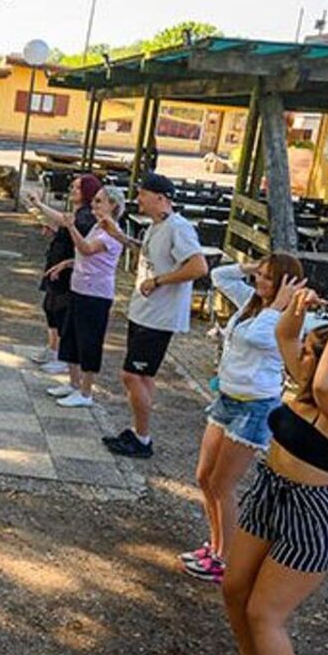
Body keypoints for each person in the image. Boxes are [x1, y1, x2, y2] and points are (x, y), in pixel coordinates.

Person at [211, 287, 328, 655]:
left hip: (309, 518)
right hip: (270, 495)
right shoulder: (304, 382)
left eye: (310, 352)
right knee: (235, 588)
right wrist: (297, 308)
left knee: (264, 615)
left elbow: (326, 387)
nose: (299, 357)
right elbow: (284, 338)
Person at [182, 257, 304, 585]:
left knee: (223, 483)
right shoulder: (252, 305)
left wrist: (280, 303)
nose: (260, 283)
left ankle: (227, 559)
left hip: (255, 408)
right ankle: (215, 544)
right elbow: (219, 275)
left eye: (268, 278)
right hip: (227, 400)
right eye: (260, 276)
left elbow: (261, 338)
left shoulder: (286, 318)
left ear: (284, 286)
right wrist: (249, 268)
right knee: (205, 477)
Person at [98, 173, 208, 457]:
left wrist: (158, 281)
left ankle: (144, 438)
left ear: (161, 198)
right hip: (143, 311)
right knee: (143, 377)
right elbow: (148, 255)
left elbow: (198, 267)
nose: (138, 200)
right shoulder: (156, 226)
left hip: (159, 316)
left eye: (143, 194)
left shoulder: (179, 228)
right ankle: (138, 433)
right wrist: (119, 236)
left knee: (131, 375)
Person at [44, 185, 126, 407]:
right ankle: (73, 383)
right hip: (79, 288)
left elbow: (87, 249)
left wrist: (71, 227)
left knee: (89, 341)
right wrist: (66, 263)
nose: (94, 204)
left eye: (99, 201)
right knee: (70, 335)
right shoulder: (98, 227)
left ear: (113, 206)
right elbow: (85, 256)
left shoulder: (111, 232)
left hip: (95, 294)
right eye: (95, 200)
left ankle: (86, 391)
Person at [26, 174, 101, 373]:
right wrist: (54, 231)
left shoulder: (87, 215)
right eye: (73, 187)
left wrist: (40, 205)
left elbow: (69, 223)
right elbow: (64, 225)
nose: (72, 190)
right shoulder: (76, 211)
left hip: (69, 268)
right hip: (56, 261)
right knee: (49, 306)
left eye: (78, 188)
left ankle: (61, 354)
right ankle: (52, 348)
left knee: (61, 311)